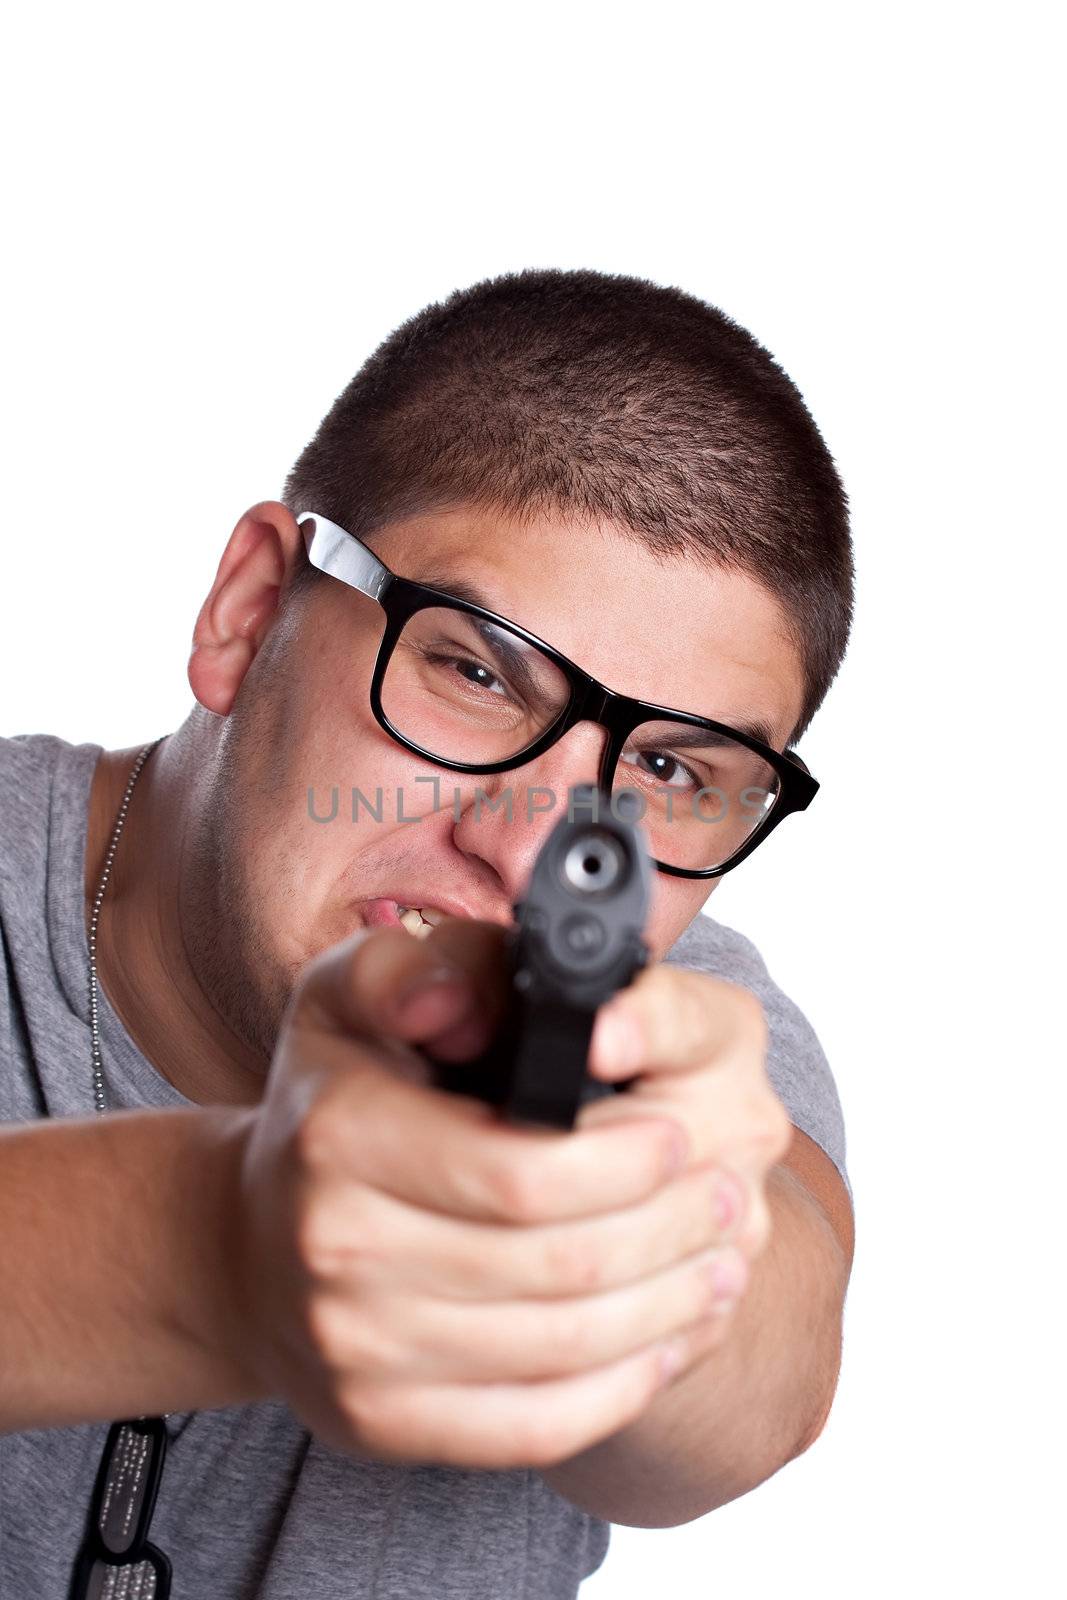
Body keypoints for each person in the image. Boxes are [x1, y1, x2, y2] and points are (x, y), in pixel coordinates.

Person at [0, 267, 856, 1599]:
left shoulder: (683, 1025)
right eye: (471, 670)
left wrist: (639, 1242)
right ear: (249, 611)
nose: (524, 849)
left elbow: (770, 1376)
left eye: (675, 775)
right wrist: (227, 1246)